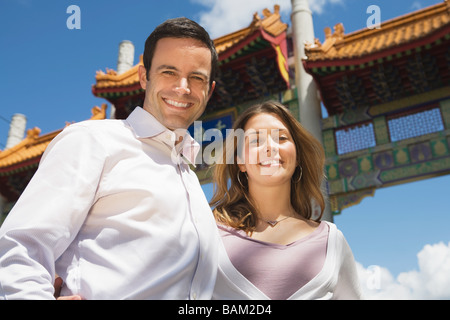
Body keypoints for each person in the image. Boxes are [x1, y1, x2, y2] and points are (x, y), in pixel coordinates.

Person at [0, 17, 219, 300]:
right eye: (168, 72)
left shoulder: (187, 175)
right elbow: (19, 247)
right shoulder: (93, 140)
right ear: (143, 76)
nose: (182, 87)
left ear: (209, 91)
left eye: (197, 77)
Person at [209, 101, 362, 299]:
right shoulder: (209, 234)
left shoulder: (333, 241)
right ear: (240, 162)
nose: (270, 148)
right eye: (256, 141)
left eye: (281, 138)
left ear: (297, 156)